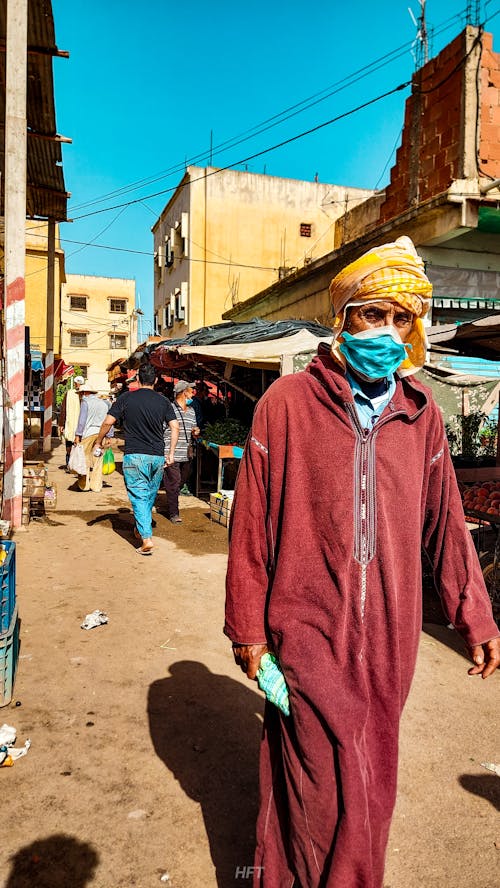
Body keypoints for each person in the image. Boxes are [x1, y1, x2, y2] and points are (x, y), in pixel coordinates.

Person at [224, 236, 500, 888]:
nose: (385, 331)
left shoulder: (422, 416)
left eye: (400, 319)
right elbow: (251, 529)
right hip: (303, 630)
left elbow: (444, 528)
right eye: (371, 315)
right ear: (343, 318)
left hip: (390, 642)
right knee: (315, 775)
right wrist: (248, 631)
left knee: (372, 780)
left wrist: (476, 615)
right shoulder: (285, 405)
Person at [94, 362, 179, 555]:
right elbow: (175, 427)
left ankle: (146, 538)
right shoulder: (164, 401)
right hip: (157, 457)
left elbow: (108, 421)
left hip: (134, 456)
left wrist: (99, 441)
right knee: (149, 495)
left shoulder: (126, 398)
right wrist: (171, 454)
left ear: (138, 379)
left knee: (139, 496)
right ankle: (139, 529)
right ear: (156, 381)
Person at [163, 380, 200, 524]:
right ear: (184, 393)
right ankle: (174, 513)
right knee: (174, 481)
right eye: (191, 391)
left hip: (186, 452)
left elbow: (194, 428)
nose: (193, 393)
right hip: (171, 452)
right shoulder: (169, 409)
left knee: (181, 480)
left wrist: (196, 431)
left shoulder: (191, 411)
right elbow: (161, 429)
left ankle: (171, 498)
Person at [73, 383, 110, 493]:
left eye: (80, 393)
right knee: (98, 460)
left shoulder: (85, 402)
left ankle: (84, 485)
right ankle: (96, 486)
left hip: (88, 434)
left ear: (85, 393)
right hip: (101, 435)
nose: (80, 396)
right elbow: (109, 421)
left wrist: (77, 435)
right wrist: (108, 436)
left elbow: (82, 421)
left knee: (84, 460)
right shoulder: (105, 404)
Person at [58, 375, 85, 469]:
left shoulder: (85, 394)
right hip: (72, 424)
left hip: (80, 425)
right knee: (70, 445)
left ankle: (76, 465)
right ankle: (70, 464)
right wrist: (61, 423)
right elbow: (64, 409)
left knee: (79, 445)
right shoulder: (69, 394)